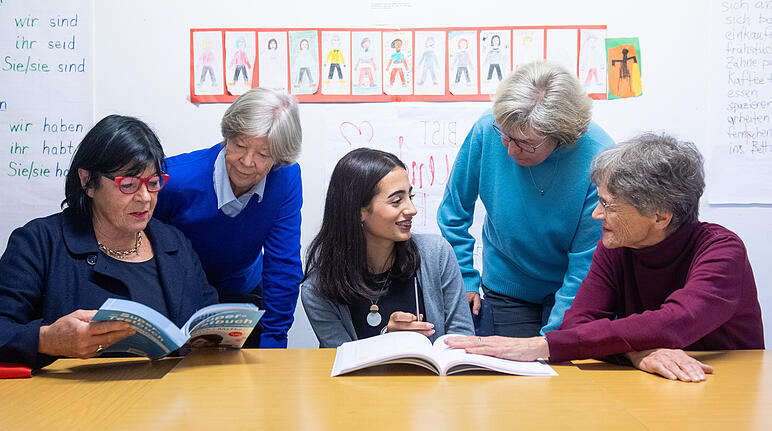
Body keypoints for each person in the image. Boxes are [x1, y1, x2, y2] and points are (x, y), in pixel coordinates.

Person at [447, 133, 765, 382]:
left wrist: (543, 345)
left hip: (722, 384)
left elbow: (675, 322)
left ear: (660, 216)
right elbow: (575, 325)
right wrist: (636, 355)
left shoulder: (722, 251)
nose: (597, 214)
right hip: (650, 385)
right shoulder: (616, 246)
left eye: (608, 205)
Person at [0, 115, 218, 368]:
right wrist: (48, 340)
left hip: (167, 392)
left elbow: (206, 317)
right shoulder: (40, 241)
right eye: (128, 184)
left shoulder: (173, 242)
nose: (145, 197)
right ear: (87, 181)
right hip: (71, 394)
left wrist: (210, 339)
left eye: (153, 183)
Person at [437, 60, 614, 338]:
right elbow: (453, 211)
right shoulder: (488, 128)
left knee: (559, 362)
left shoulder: (599, 158)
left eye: (525, 144)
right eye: (506, 137)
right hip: (506, 287)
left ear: (561, 136)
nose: (509, 151)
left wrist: (550, 341)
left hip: (572, 288)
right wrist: (464, 276)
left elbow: (585, 262)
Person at [155, 88, 303, 348]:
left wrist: (274, 342)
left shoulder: (285, 177)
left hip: (243, 293)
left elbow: (283, 264)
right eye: (239, 145)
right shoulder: (174, 180)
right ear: (227, 137)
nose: (246, 161)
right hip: (180, 294)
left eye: (263, 154)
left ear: (279, 157)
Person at [302, 148, 474, 347]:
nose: (412, 209)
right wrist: (388, 339)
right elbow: (342, 360)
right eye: (396, 201)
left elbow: (462, 341)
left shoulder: (437, 254)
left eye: (410, 197)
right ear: (358, 211)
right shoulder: (318, 290)